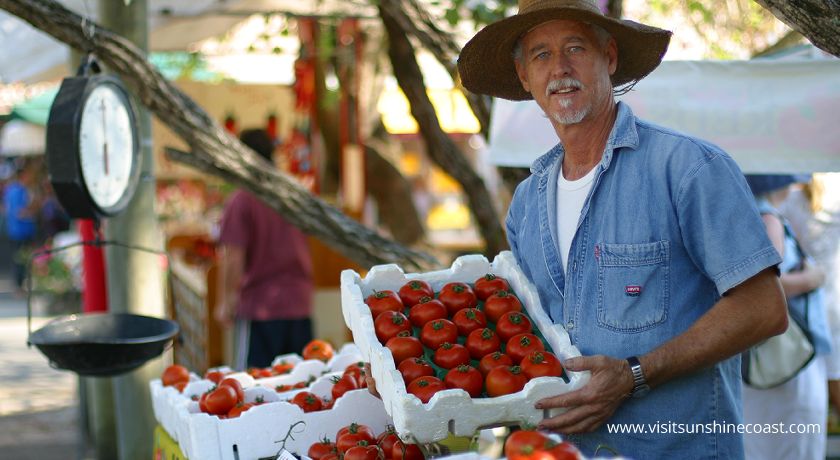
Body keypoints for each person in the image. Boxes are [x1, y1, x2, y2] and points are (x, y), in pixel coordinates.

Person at [457, 0, 787, 457]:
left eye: (575, 48)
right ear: (524, 78)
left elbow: (764, 308)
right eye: (541, 55)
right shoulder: (526, 204)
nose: (560, 69)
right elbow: (526, 338)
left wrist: (635, 374)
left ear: (608, 57)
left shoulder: (688, 168)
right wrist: (404, 368)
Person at [214, 128, 314, 369]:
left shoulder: (243, 198)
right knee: (302, 385)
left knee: (255, 389)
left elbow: (233, 257)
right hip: (299, 302)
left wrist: (226, 301)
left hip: (261, 308)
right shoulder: (291, 191)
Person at [3, 159, 41, 295]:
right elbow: (20, 212)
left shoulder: (12, 190)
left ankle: (21, 285)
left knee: (21, 258)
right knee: (22, 259)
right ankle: (20, 286)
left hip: (17, 230)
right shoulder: (19, 190)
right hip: (21, 230)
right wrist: (34, 208)